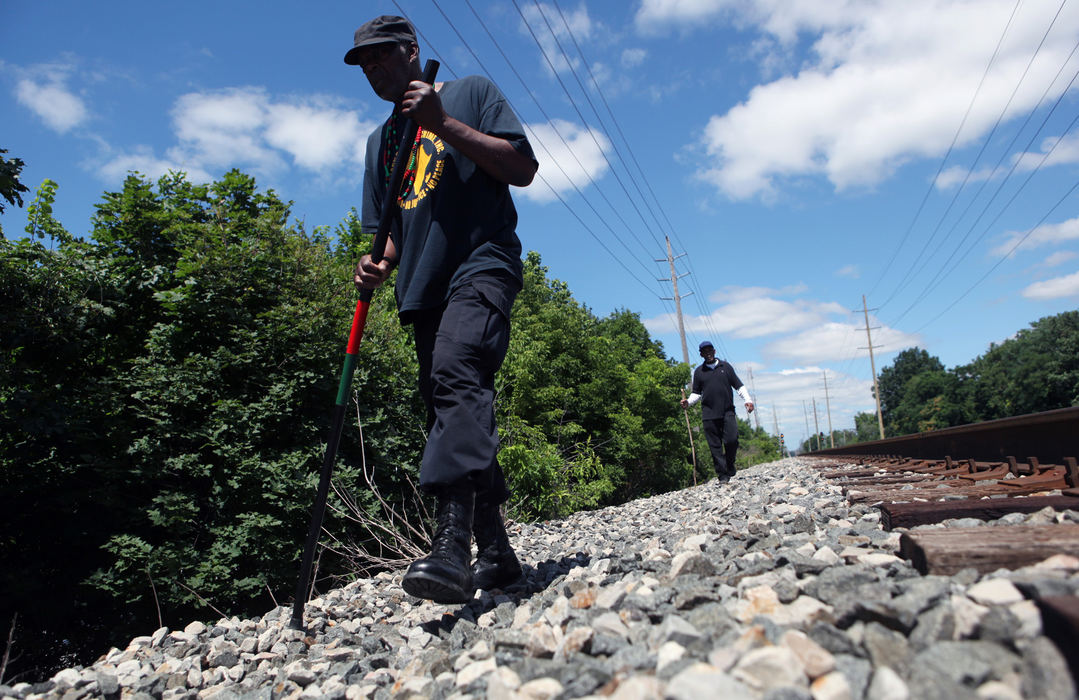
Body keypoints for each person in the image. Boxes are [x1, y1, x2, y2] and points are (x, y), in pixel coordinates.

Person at [347, 15, 538, 604]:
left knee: (456, 372)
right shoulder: (382, 144)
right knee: (451, 406)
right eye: (365, 63)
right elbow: (390, 232)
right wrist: (375, 264)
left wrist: (443, 124)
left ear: (411, 50)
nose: (374, 68)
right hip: (421, 291)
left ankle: (451, 546)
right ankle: (499, 554)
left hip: (483, 263)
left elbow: (522, 168)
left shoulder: (469, 93)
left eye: (382, 55)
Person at [680, 341, 754, 482]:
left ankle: (730, 464)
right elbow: (696, 393)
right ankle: (722, 475)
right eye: (704, 351)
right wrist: (688, 402)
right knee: (715, 447)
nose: (707, 353)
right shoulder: (699, 372)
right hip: (709, 415)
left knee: (732, 440)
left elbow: (738, 386)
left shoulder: (725, 367)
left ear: (714, 351)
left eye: (709, 350)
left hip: (727, 412)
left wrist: (748, 400)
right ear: (701, 354)